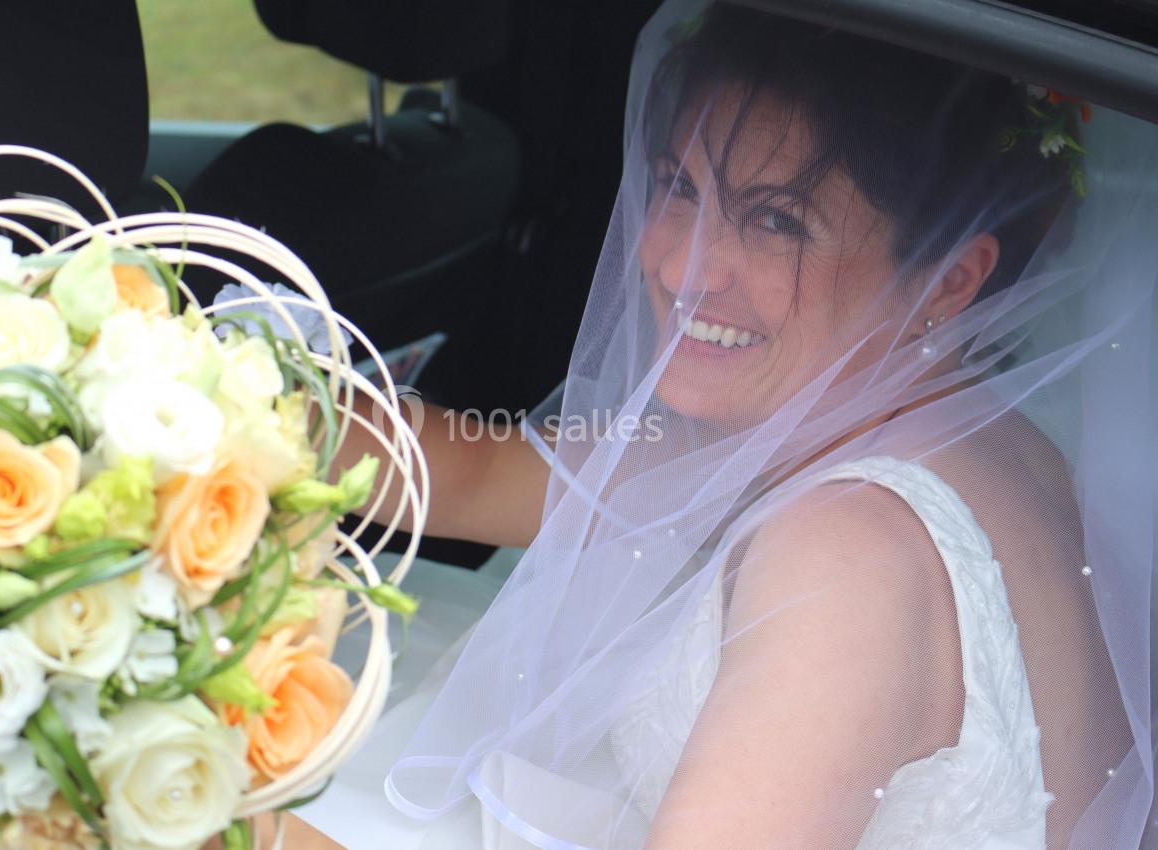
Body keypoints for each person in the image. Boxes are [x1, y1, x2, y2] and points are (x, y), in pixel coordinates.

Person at [280, 1, 1158, 847]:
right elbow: (481, 474)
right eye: (678, 186)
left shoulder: (847, 553)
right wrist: (235, 404)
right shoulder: (939, 427)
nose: (677, 262)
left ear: (952, 281)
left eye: (778, 221)